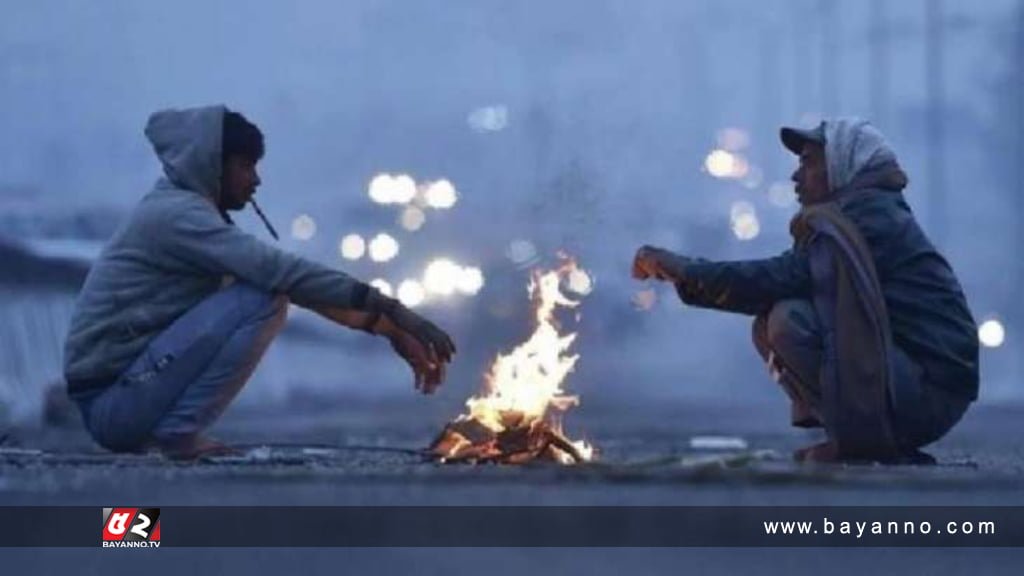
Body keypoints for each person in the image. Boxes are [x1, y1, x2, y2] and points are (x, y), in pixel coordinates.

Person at [63, 105, 455, 459]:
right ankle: (179, 435)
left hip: (125, 397)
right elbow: (285, 276)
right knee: (264, 298)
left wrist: (387, 329)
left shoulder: (186, 210)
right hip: (115, 404)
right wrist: (397, 311)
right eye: (246, 166)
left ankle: (174, 432)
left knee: (269, 291)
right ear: (214, 165)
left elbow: (304, 289)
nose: (256, 180)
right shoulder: (179, 217)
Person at [632, 118, 978, 464]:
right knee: (772, 319)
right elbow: (783, 279)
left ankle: (865, 443)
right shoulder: (856, 214)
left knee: (789, 319)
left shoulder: (869, 218)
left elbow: (780, 277)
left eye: (809, 162)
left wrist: (684, 269)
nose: (797, 177)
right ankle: (859, 438)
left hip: (930, 391)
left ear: (844, 165)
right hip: (915, 381)